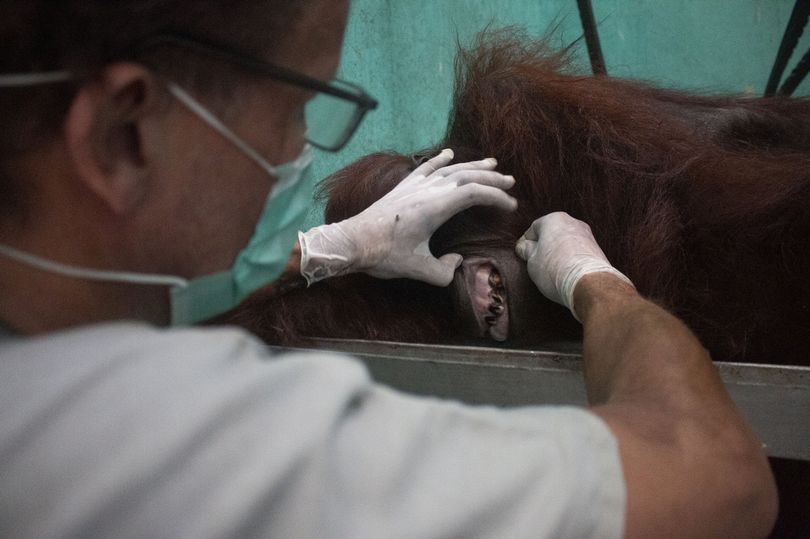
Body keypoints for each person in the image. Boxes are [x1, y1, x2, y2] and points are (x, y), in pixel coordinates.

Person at [0, 2, 776, 538]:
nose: (297, 150)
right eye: (294, 109)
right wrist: (597, 285)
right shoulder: (186, 445)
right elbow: (720, 481)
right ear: (124, 135)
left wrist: (331, 247)